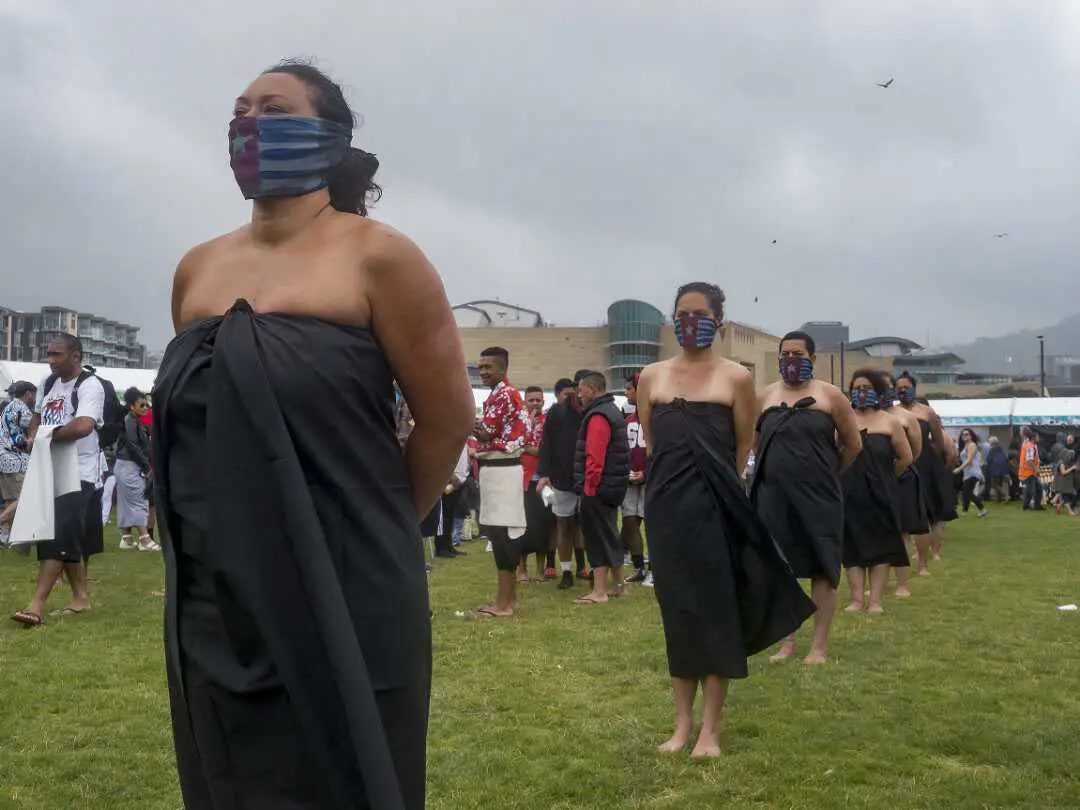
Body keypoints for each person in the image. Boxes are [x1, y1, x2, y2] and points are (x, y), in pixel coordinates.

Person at [157, 60, 473, 810]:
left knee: (349, 772)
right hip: (216, 587)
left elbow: (447, 416)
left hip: (347, 573)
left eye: (273, 107)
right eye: (240, 110)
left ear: (328, 136)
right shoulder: (196, 268)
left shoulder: (379, 255)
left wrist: (382, 523)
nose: (249, 123)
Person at [638, 282, 814, 758]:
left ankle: (710, 731)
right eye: (681, 313)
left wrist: (715, 490)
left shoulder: (737, 378)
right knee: (678, 613)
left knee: (716, 609)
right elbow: (654, 443)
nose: (689, 321)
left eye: (699, 314)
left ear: (718, 320)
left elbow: (741, 448)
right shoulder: (650, 377)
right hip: (666, 511)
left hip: (716, 508)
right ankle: (681, 726)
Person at [753, 330, 862, 665]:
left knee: (822, 568)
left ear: (813, 359)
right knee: (779, 567)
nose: (790, 360)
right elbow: (756, 446)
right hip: (773, 497)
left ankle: (819, 646)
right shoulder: (765, 396)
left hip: (819, 497)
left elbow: (853, 445)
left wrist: (826, 473)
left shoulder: (831, 396)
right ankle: (785, 641)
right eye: (785, 354)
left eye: (798, 354)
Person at [11, 334, 105, 625]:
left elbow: (83, 426)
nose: (50, 360)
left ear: (76, 356)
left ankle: (36, 605)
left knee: (56, 536)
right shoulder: (47, 383)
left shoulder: (90, 385)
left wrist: (44, 437)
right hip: (48, 468)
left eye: (57, 354)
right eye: (48, 354)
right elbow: (38, 416)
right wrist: (33, 435)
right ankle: (80, 598)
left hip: (79, 472)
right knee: (67, 537)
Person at [841, 370, 913, 614]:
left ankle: (875, 601)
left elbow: (905, 457)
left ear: (878, 392)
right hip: (850, 491)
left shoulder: (890, 421)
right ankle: (856, 599)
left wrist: (888, 476)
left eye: (867, 387)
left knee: (881, 545)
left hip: (882, 492)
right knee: (852, 546)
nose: (861, 392)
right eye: (857, 387)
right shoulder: (843, 419)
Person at [473, 347, 529, 618]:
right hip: (499, 469)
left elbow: (485, 434)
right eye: (480, 367)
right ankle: (510, 599)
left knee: (503, 535)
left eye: (488, 367)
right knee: (503, 533)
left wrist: (461, 418)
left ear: (502, 369)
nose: (482, 371)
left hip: (501, 469)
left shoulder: (504, 394)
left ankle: (504, 604)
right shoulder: (501, 394)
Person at [570, 372, 629, 604]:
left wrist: (589, 488)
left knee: (596, 538)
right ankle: (620, 586)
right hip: (612, 486)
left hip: (598, 487)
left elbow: (594, 456)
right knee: (610, 534)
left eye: (581, 390)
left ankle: (599, 591)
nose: (579, 395)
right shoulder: (612, 411)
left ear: (592, 389)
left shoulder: (598, 415)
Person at [896, 373, 956, 574]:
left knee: (926, 514)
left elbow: (939, 440)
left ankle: (923, 562)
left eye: (906, 386)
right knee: (903, 517)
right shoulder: (892, 412)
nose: (903, 390)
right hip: (902, 464)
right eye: (899, 387)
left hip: (925, 463)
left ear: (914, 388)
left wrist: (933, 462)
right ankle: (905, 560)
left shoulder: (927, 412)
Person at [537, 372, 590, 589]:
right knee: (564, 524)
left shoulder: (592, 411)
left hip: (588, 478)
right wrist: (545, 473)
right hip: (561, 478)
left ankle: (586, 567)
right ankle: (566, 571)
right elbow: (546, 443)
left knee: (584, 526)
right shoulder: (557, 412)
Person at [879, 371, 926, 598]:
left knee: (903, 532)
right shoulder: (866, 416)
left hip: (903, 478)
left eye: (888, 386)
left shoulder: (907, 417)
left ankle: (902, 584)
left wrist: (896, 470)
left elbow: (914, 452)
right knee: (878, 530)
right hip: (874, 479)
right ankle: (879, 582)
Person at [518, 386, 553, 582]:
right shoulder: (518, 423)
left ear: (543, 401)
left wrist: (530, 448)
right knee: (521, 525)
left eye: (538, 400)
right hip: (521, 480)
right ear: (524, 402)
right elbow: (514, 445)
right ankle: (521, 569)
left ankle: (541, 568)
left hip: (542, 480)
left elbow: (547, 450)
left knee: (542, 525)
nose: (534, 403)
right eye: (530, 400)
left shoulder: (548, 423)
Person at [115, 388, 158, 551]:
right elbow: (133, 445)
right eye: (142, 405)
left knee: (127, 501)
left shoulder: (133, 420)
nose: (146, 408)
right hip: (129, 465)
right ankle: (144, 539)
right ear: (132, 406)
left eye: (147, 405)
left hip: (126, 465)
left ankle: (126, 538)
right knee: (139, 500)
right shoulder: (130, 421)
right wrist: (147, 466)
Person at [622, 373, 650, 584]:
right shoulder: (627, 420)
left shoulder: (656, 418)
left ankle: (656, 568)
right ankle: (639, 565)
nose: (626, 392)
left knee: (652, 523)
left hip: (652, 479)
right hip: (630, 479)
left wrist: (647, 472)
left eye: (630, 388)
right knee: (630, 521)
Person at [0, 381, 36, 540]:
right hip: (15, 459)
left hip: (4, 458)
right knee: (24, 498)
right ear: (28, 393)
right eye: (34, 394)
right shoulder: (21, 408)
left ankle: (7, 535)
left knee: (10, 500)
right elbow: (36, 426)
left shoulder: (8, 407)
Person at [956, 429, 989, 518]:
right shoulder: (965, 445)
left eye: (967, 434)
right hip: (968, 472)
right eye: (963, 434)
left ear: (971, 436)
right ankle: (971, 511)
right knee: (967, 492)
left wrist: (959, 468)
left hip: (973, 472)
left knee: (968, 493)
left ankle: (982, 510)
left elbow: (969, 459)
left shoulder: (972, 445)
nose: (964, 436)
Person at [1018, 427, 1042, 510]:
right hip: (1028, 472)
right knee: (1033, 491)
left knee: (1036, 490)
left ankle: (1033, 506)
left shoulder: (1031, 445)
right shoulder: (1030, 446)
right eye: (1037, 437)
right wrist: (1036, 468)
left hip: (1030, 472)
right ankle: (1030, 506)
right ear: (1033, 438)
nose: (1039, 438)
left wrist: (1038, 461)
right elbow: (1028, 461)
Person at [1053, 439, 1077, 516]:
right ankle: (1070, 511)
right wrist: (1072, 468)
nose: (1070, 457)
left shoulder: (1066, 462)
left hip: (1066, 484)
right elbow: (1063, 473)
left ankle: (1058, 505)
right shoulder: (1061, 463)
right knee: (1066, 497)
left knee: (1072, 494)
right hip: (1062, 484)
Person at [986, 436, 1010, 503]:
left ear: (991, 443)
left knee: (994, 485)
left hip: (995, 469)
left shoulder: (992, 450)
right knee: (999, 484)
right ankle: (999, 499)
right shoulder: (1000, 449)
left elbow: (988, 459)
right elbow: (1005, 458)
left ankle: (1005, 495)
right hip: (1002, 469)